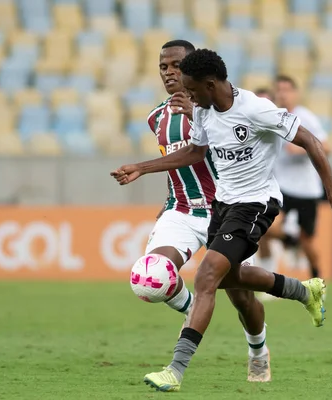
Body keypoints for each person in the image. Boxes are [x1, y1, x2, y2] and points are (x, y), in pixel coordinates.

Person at [111, 48, 332, 392]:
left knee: (207, 277)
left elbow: (311, 142)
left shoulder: (256, 110)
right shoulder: (206, 112)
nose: (187, 95)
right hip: (223, 203)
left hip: (256, 203)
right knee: (232, 282)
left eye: (192, 90)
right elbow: (194, 152)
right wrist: (141, 167)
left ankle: (175, 370)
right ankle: (303, 291)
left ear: (210, 85)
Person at [142, 39, 272, 382]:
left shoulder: (220, 109)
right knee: (151, 275)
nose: (170, 73)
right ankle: (194, 310)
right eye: (163, 67)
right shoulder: (157, 117)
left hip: (225, 211)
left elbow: (235, 158)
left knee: (243, 300)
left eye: (177, 66)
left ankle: (257, 348)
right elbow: (179, 164)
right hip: (181, 210)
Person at [258, 75, 331, 283]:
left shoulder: (304, 117)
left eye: (287, 89)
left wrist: (302, 149)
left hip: (307, 190)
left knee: (308, 242)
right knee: (265, 227)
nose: (283, 93)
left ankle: (317, 280)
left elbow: (326, 147)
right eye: (279, 89)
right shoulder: (273, 117)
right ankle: (288, 245)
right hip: (281, 188)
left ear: (295, 93)